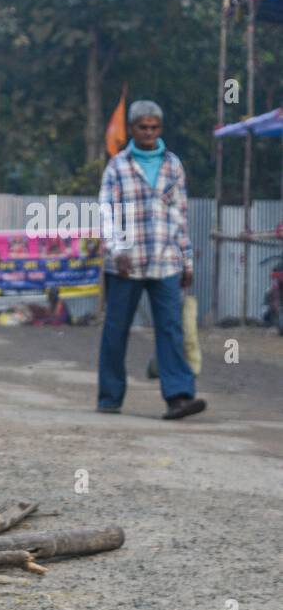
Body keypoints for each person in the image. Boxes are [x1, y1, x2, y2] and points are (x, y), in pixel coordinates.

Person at [96, 100, 206, 419]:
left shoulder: (173, 165)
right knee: (116, 329)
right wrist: (117, 250)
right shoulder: (118, 166)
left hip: (165, 261)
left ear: (160, 129)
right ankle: (110, 396)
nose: (148, 133)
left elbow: (179, 216)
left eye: (154, 127)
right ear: (132, 129)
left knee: (171, 329)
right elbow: (107, 212)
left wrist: (186, 261)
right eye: (143, 127)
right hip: (126, 264)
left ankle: (179, 397)